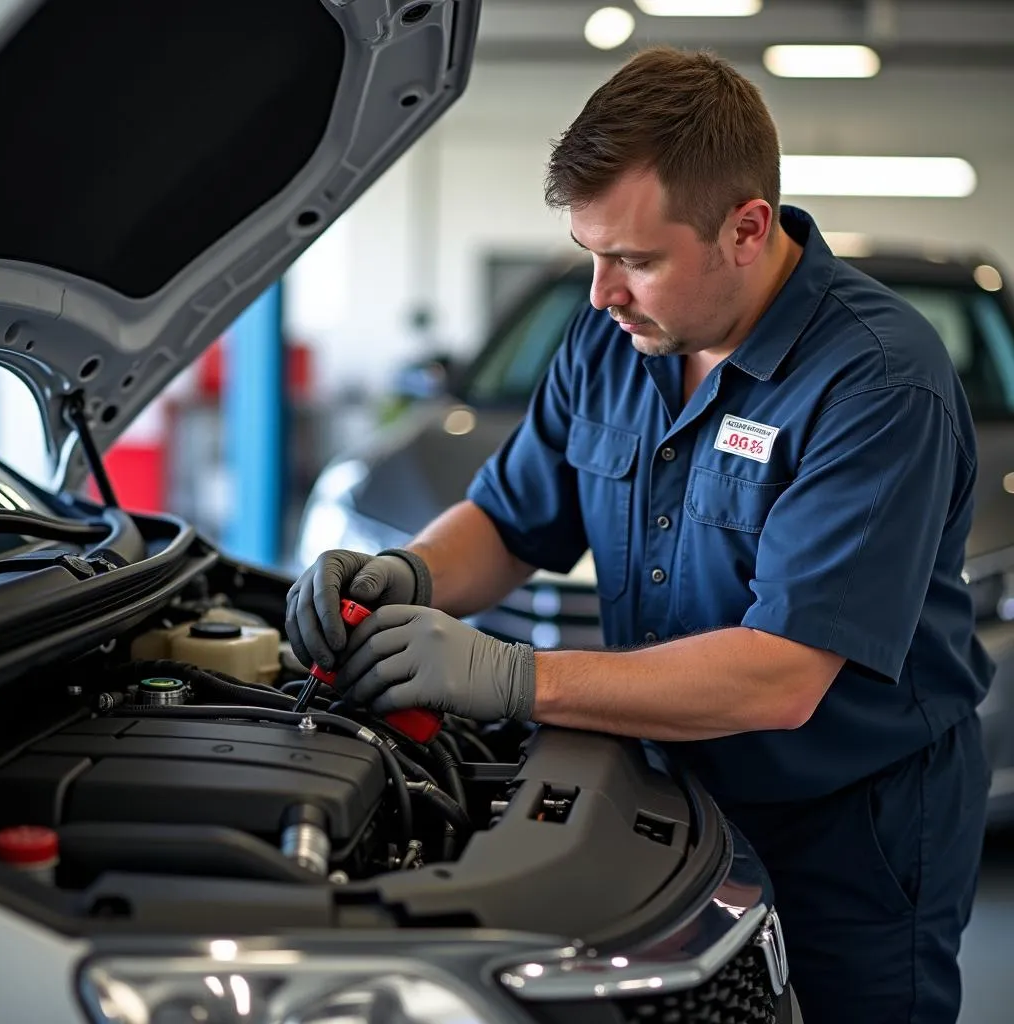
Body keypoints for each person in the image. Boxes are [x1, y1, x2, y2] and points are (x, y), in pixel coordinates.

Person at [286, 47, 993, 1024]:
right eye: (590, 253)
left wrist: (510, 675)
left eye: (636, 259)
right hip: (665, 787)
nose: (600, 293)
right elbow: (510, 517)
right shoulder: (611, 341)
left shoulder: (875, 384)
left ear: (746, 229)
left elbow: (781, 677)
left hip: (851, 828)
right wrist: (406, 571)